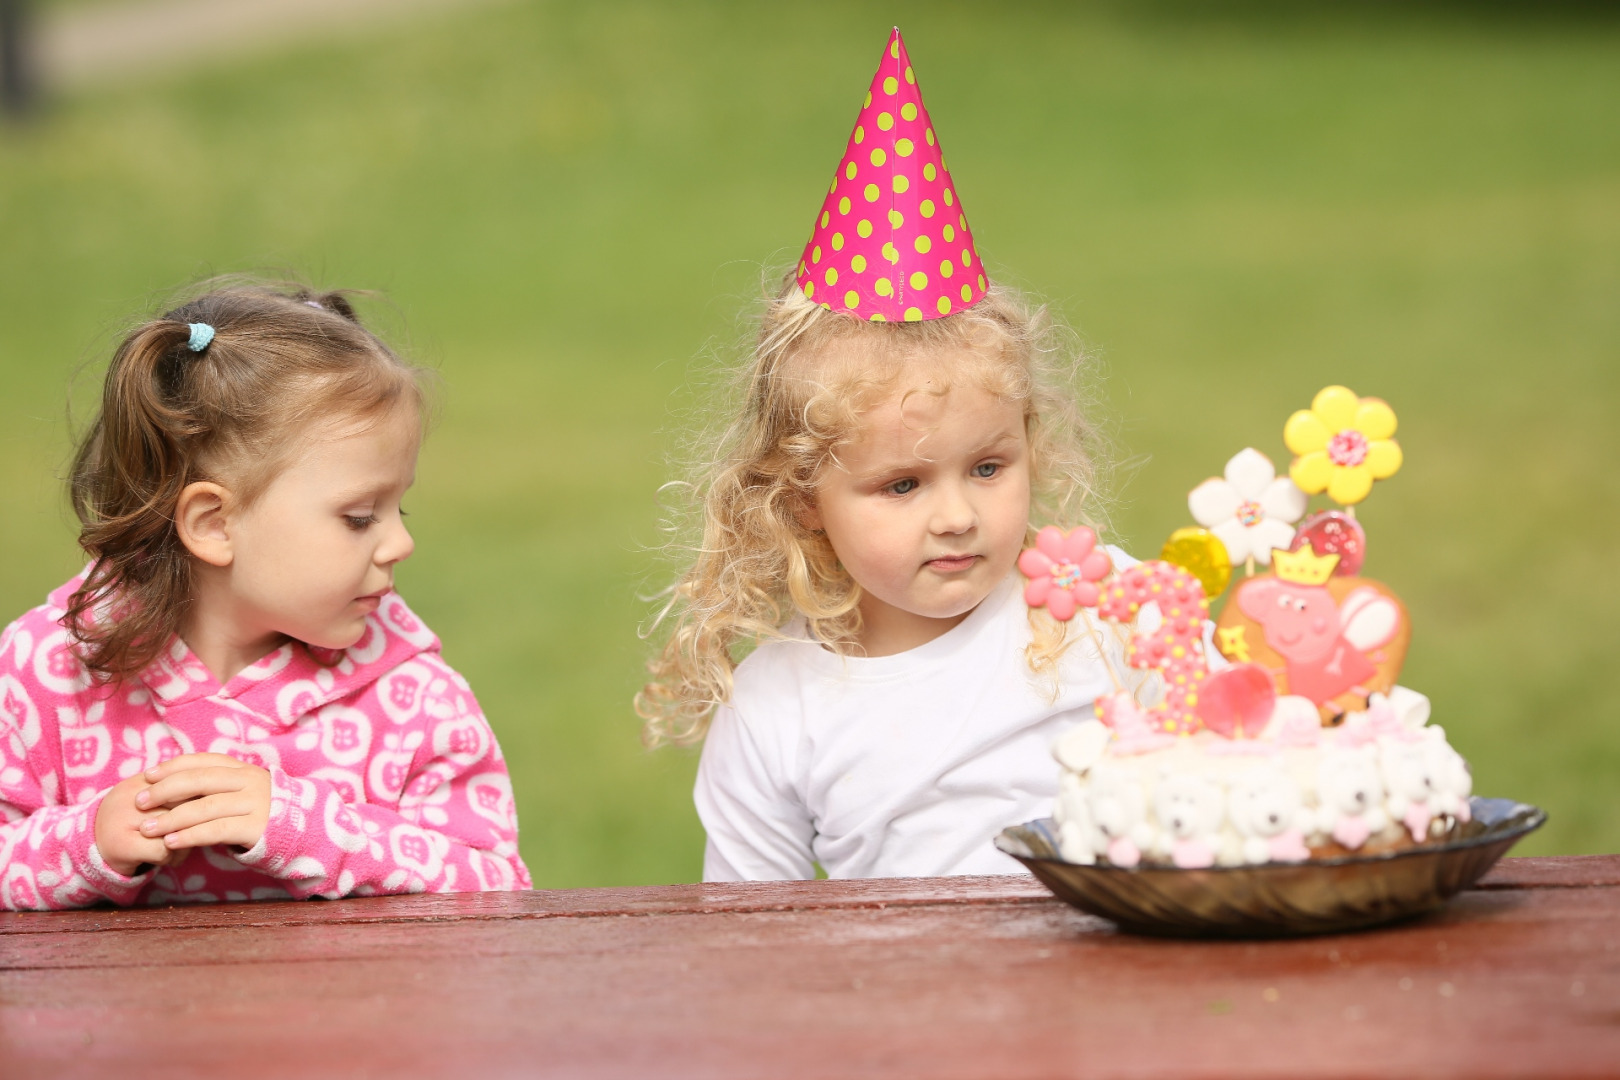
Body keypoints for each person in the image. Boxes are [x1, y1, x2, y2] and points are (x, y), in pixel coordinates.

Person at [637, 29, 1125, 881]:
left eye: (987, 467)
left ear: (1031, 446)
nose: (957, 515)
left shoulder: (1102, 614)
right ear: (801, 505)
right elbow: (747, 945)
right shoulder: (782, 705)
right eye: (901, 484)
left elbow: (1246, 761)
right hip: (898, 1009)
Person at [0, 282, 530, 909]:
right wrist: (86, 844)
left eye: (399, 505)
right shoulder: (51, 673)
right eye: (360, 516)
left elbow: (498, 888)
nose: (400, 543)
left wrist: (304, 828)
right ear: (213, 525)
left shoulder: (411, 699)